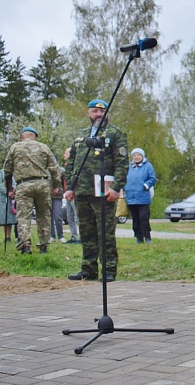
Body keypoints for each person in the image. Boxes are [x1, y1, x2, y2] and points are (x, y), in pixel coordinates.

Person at [66, 99, 129, 282]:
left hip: (103, 191)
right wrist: (70, 187)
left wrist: (117, 187)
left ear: (107, 114)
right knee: (86, 232)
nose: (98, 115)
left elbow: (121, 164)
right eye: (95, 111)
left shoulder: (115, 134)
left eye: (102, 112)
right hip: (82, 191)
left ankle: (109, 269)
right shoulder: (80, 135)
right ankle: (88, 269)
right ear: (88, 113)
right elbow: (72, 163)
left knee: (105, 232)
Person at [3, 127, 60, 254]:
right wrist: (55, 185)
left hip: (23, 185)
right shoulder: (44, 147)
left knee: (23, 216)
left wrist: (9, 187)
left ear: (22, 136)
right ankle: (44, 246)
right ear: (35, 137)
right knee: (44, 216)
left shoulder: (15, 147)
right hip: (42, 184)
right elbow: (54, 169)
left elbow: (7, 170)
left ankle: (26, 245)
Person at [124, 148, 156, 244]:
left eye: (138, 155)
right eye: (134, 155)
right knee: (135, 219)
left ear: (142, 156)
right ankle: (138, 237)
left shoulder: (148, 166)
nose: (136, 157)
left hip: (143, 197)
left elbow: (152, 178)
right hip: (131, 197)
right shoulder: (129, 167)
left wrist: (145, 185)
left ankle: (147, 237)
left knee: (143, 218)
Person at [62, 148, 80, 244]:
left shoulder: (74, 165)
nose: (64, 154)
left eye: (66, 152)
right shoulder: (65, 166)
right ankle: (74, 237)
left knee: (78, 216)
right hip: (66, 194)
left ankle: (83, 237)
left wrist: (71, 191)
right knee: (69, 217)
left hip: (73, 193)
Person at [50, 159, 67, 244]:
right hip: (47, 195)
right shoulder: (45, 170)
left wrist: (65, 192)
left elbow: (64, 182)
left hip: (58, 196)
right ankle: (51, 236)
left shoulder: (61, 170)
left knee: (57, 216)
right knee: (49, 217)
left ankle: (61, 236)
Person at [0, 169, 17, 246]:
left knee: (10, 218)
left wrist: (13, 192)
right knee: (4, 218)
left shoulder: (15, 172)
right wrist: (6, 192)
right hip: (3, 198)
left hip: (12, 198)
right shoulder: (1, 172)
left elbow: (15, 183)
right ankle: (6, 237)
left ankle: (9, 236)